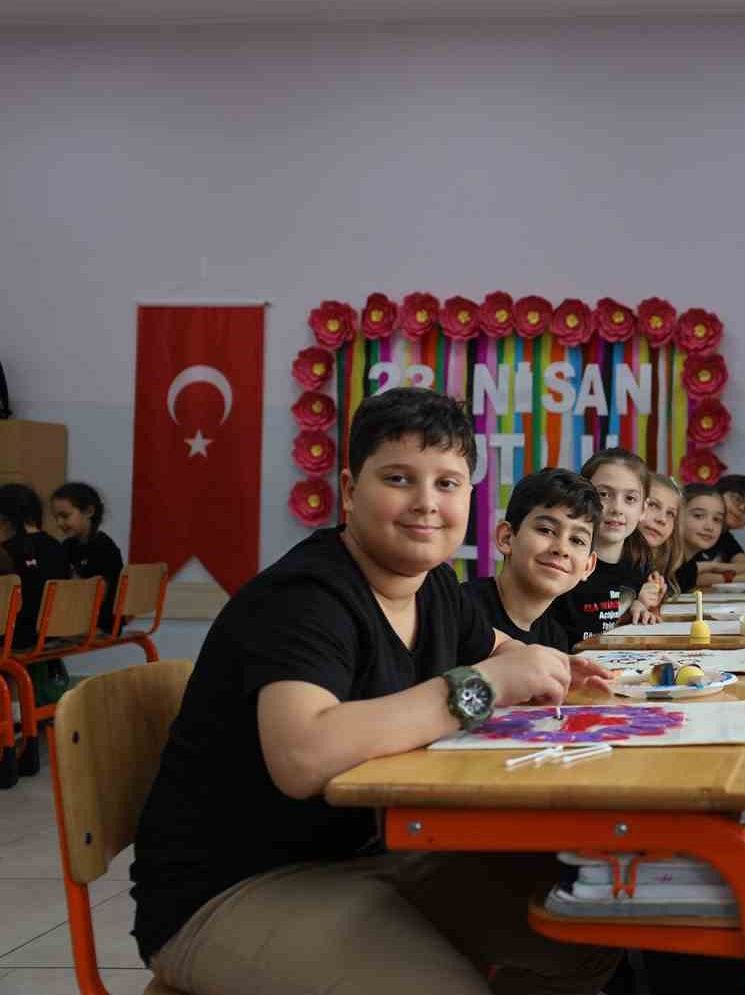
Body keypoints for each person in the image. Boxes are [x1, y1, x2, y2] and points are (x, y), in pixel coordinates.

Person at [130, 387, 618, 995]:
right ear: (349, 490)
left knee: (586, 936)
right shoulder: (303, 598)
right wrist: (483, 687)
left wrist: (553, 666)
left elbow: (495, 646)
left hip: (362, 856)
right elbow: (303, 755)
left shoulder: (433, 587)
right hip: (226, 890)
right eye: (398, 478)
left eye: (447, 483)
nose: (426, 503)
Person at [462, 469, 600, 655]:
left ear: (588, 566)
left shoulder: (555, 638)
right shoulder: (459, 610)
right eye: (546, 530)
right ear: (506, 538)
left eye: (577, 540)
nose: (562, 549)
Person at [562, 449, 657, 637]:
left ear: (643, 509)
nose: (617, 508)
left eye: (630, 499)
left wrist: (639, 605)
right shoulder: (563, 562)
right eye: (604, 494)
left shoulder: (639, 561)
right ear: (582, 499)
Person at [0, 483, 71, 706]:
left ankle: (14, 712)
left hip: (20, 636)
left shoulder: (5, 552)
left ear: (4, 517)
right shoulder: (58, 547)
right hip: (54, 633)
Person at [52, 481, 124, 635]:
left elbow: (98, 596)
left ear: (89, 511)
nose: (59, 523)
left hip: (101, 624)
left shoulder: (105, 547)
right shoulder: (67, 545)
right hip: (78, 619)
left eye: (65, 516)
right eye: (56, 517)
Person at [679, 484, 745, 587]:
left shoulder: (723, 538)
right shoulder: (672, 552)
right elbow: (688, 577)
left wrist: (711, 566)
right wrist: (744, 577)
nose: (709, 527)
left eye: (717, 519)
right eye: (737, 499)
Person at [638, 472, 686, 606]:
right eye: (653, 505)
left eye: (670, 513)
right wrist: (633, 601)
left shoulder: (653, 567)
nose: (662, 519)